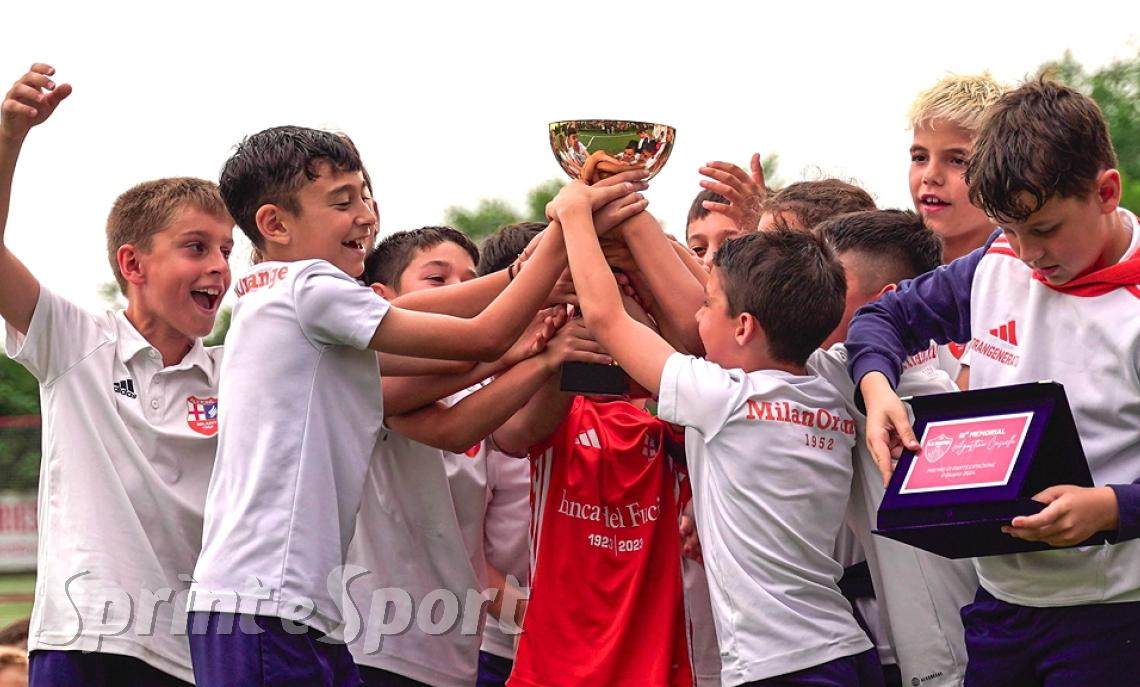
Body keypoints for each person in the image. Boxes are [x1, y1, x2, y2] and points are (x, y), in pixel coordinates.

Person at [186, 125, 646, 687]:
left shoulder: (273, 297)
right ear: (274, 224)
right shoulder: (310, 288)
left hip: (280, 603)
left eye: (364, 195)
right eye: (341, 201)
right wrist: (567, 226)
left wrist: (532, 286)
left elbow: (463, 339)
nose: (365, 215)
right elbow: (481, 337)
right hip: (271, 603)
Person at [848, 79, 1140, 687]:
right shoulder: (994, 263)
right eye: (1010, 229)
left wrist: (1111, 508)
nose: (1028, 253)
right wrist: (876, 388)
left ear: (1106, 191)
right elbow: (883, 316)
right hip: (1000, 607)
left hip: (1115, 617)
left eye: (1047, 228)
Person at [553, 178, 881, 685]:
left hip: (780, 665)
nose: (697, 315)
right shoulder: (830, 379)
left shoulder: (725, 398)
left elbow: (606, 318)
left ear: (744, 326)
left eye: (708, 304)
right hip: (845, 645)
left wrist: (575, 216)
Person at [2, 64, 233, 687]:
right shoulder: (78, 341)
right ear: (132, 263)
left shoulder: (235, 372)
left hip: (197, 650)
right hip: (86, 641)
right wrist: (9, 139)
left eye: (226, 249)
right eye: (196, 247)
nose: (219, 266)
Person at [809, 210, 978, 687]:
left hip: (950, 656)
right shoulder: (923, 370)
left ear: (889, 300)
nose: (808, 297)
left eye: (828, 284)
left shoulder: (852, 378)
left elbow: (715, 326)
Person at [492, 298, 693, 687]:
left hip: (653, 672)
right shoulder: (559, 418)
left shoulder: (664, 427)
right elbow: (513, 436)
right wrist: (562, 345)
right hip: (550, 673)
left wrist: (622, 303)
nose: (602, 342)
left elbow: (678, 370)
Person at [907, 73, 1007, 387]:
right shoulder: (890, 273)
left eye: (958, 160)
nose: (930, 176)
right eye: (920, 157)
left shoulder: (1021, 281)